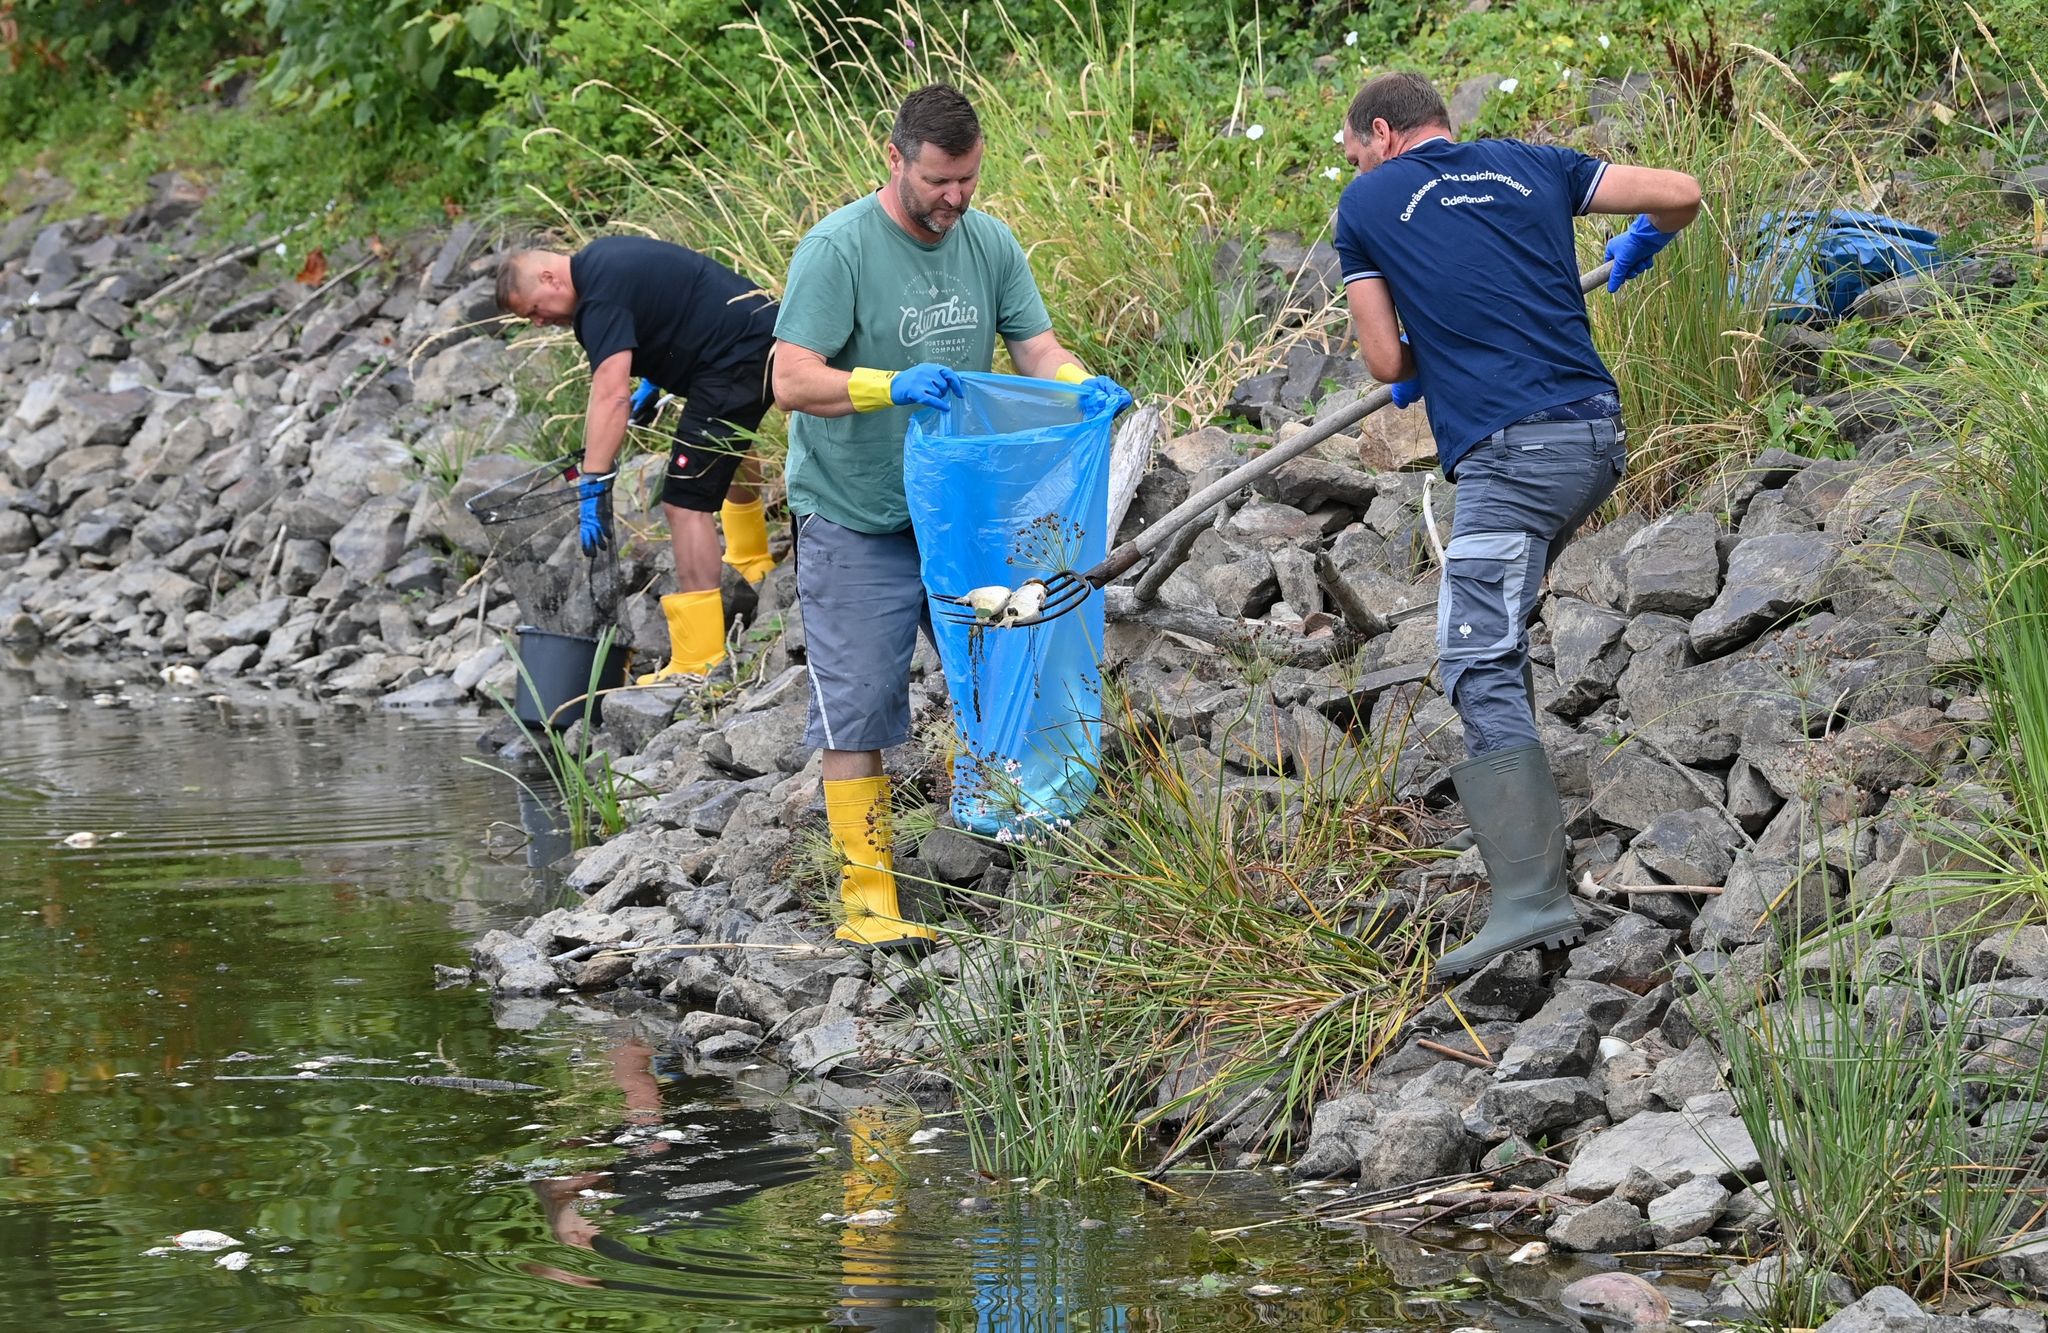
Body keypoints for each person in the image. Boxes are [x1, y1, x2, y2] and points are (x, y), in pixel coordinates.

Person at [1332, 70, 1701, 980]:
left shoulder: (1367, 204)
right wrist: (1644, 239)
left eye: (1354, 151)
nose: (1355, 166)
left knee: (1474, 654)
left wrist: (1426, 356)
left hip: (1511, 460)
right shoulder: (1532, 163)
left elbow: (1383, 359)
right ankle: (1537, 866)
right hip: (1593, 438)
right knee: (1497, 627)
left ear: (1381, 133)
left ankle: (1533, 900)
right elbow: (1681, 192)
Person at [772, 82, 1129, 951]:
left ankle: (1011, 842)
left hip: (961, 517)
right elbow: (790, 378)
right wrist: (887, 385)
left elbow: (1036, 347)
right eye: (938, 181)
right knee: (860, 706)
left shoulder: (989, 242)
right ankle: (867, 904)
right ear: (894, 158)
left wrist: (1080, 386)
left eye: (968, 179)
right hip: (855, 515)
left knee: (1008, 665)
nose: (955, 198)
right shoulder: (839, 250)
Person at [495, 237, 781, 684]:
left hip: (735, 358)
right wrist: (655, 376)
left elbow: (610, 396)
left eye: (534, 310)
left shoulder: (597, 299)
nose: (538, 322)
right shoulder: (604, 259)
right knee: (727, 445)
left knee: (684, 502)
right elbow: (668, 305)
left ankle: (700, 659)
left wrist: (592, 481)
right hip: (763, 332)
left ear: (549, 278)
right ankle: (753, 560)